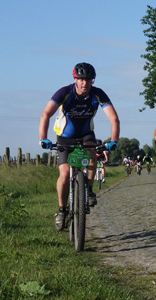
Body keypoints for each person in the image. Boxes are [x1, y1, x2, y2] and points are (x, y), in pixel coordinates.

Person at [39, 62, 119, 231]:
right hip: (65, 137)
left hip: (86, 134)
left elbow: (113, 118)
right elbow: (46, 114)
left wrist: (114, 140)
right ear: (75, 79)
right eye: (81, 79)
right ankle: (62, 209)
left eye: (88, 79)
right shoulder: (64, 92)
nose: (85, 83)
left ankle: (88, 190)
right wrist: (43, 138)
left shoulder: (97, 94)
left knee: (92, 155)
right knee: (65, 173)